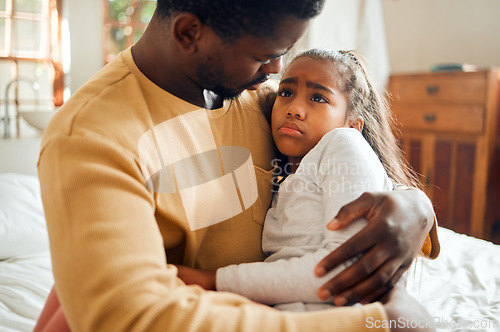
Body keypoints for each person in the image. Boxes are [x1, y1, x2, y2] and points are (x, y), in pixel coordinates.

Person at [35, 1, 439, 331]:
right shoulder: (89, 138)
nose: (276, 71)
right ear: (190, 33)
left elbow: (338, 162)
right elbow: (134, 317)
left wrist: (414, 206)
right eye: (264, 55)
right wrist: (376, 321)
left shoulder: (258, 101)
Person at [176, 49, 426, 312]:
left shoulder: (344, 142)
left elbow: (343, 268)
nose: (294, 109)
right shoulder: (289, 176)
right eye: (286, 93)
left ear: (353, 125)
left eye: (318, 98)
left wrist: (213, 281)